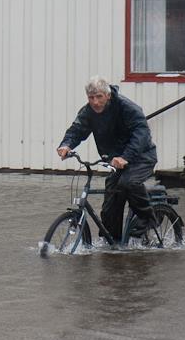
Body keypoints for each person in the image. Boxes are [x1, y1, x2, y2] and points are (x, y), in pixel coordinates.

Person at [56, 76, 158, 244]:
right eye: (91, 98)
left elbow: (142, 133)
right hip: (115, 162)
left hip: (141, 157)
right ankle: (114, 244)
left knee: (129, 183)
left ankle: (148, 218)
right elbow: (77, 130)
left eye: (99, 97)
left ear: (108, 95)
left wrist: (126, 157)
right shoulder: (88, 112)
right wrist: (66, 145)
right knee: (110, 205)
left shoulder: (126, 107)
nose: (95, 102)